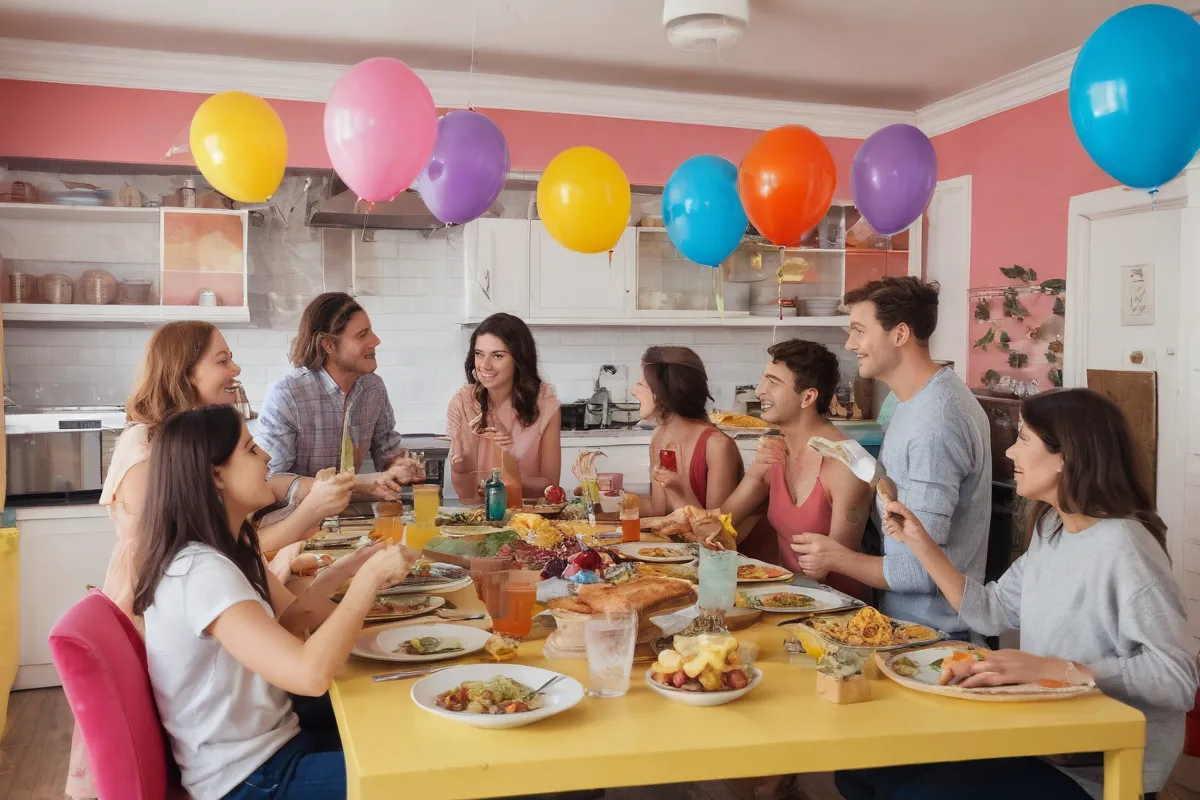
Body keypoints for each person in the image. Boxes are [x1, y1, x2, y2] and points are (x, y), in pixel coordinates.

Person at [837, 389, 1198, 800]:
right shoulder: (1054, 530)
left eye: (1023, 438)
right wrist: (921, 543)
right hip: (1041, 737)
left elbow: (1177, 679)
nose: (1010, 452)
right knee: (857, 773)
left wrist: (1059, 670)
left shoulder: (1125, 548)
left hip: (1099, 767)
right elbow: (990, 612)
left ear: (1067, 456)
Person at [65, 321, 352, 800]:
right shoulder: (197, 562)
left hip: (257, 736)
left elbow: (292, 612)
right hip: (248, 768)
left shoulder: (226, 539)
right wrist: (314, 525)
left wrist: (352, 568)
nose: (234, 369)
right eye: (222, 360)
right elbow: (305, 669)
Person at [134, 405, 417, 800]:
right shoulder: (200, 572)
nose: (266, 456)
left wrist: (346, 570)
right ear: (215, 475)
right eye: (250, 450)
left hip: (280, 743)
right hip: (251, 779)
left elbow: (290, 621)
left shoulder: (227, 547)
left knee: (412, 724)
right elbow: (309, 675)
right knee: (423, 771)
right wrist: (367, 581)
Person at [790, 278, 991, 638]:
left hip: (935, 639)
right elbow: (899, 491)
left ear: (899, 334)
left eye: (859, 331)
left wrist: (837, 557)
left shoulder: (937, 421)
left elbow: (923, 569)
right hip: (903, 627)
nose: (851, 344)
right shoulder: (907, 400)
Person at [722, 340, 872, 600]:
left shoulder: (843, 463)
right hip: (787, 601)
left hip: (839, 616)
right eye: (762, 380)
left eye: (773, 383)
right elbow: (722, 525)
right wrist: (756, 473)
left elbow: (833, 567)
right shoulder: (774, 454)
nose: (759, 391)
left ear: (808, 397)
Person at [256, 292, 424, 500]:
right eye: (362, 335)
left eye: (371, 332)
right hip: (296, 524)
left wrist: (399, 465)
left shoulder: (373, 388)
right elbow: (268, 480)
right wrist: (357, 483)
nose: (376, 341)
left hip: (349, 521)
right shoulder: (287, 395)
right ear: (329, 345)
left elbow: (387, 453)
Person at [446, 313, 562, 504]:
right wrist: (463, 465)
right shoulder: (463, 402)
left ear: (519, 358)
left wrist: (499, 482)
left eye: (497, 356)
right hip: (478, 517)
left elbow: (550, 486)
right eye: (479, 354)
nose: (484, 365)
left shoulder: (545, 403)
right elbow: (465, 495)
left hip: (530, 517)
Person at [632, 346, 742, 514]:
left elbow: (717, 532)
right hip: (673, 540)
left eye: (641, 384)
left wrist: (678, 491)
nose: (634, 391)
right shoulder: (659, 436)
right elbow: (659, 510)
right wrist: (607, 500)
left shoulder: (716, 446)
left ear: (663, 392)